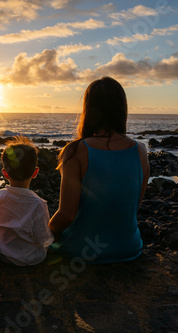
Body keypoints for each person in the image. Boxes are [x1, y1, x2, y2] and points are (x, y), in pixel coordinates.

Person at [48, 77, 150, 264]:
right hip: (128, 247)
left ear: (89, 108)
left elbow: (67, 214)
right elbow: (133, 207)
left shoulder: (76, 150)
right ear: (122, 108)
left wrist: (46, 232)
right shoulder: (141, 151)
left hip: (81, 250)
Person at [0, 136, 54, 266]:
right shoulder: (38, 204)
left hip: (2, 254)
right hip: (30, 258)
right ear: (35, 172)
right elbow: (44, 240)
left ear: (5, 174)